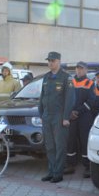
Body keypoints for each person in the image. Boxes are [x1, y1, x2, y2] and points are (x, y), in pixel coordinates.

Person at [39, 51, 75, 183]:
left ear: (58, 61)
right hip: (47, 116)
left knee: (59, 146)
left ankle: (58, 173)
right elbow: (42, 97)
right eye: (48, 61)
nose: (50, 63)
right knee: (49, 146)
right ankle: (51, 171)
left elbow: (69, 99)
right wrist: (41, 113)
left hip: (59, 116)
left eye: (52, 61)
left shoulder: (66, 77)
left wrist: (66, 117)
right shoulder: (46, 77)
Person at [65, 61, 94, 178]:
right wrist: (70, 112)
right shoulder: (71, 82)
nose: (79, 70)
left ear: (86, 70)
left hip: (84, 117)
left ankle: (87, 166)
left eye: (81, 69)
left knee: (84, 141)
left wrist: (78, 111)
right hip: (71, 117)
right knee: (70, 140)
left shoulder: (90, 83)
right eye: (77, 68)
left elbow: (91, 101)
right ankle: (70, 165)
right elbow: (66, 98)